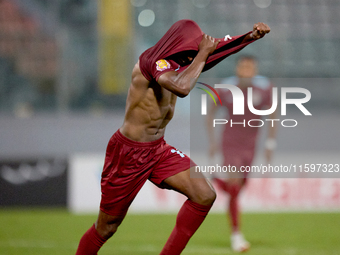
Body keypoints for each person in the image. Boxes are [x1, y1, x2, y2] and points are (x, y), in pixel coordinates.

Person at [75, 20, 270, 255]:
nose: (194, 56)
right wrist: (203, 55)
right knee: (106, 227)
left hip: (157, 150)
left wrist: (250, 36)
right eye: (191, 51)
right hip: (128, 154)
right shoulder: (152, 62)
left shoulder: (182, 61)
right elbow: (182, 87)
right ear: (180, 45)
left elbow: (218, 48)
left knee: (204, 195)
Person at [206, 55, 277, 252]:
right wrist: (212, 141)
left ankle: (215, 181)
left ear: (255, 70)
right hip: (230, 143)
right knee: (235, 186)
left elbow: (273, 115)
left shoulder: (264, 88)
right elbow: (210, 111)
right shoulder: (226, 88)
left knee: (238, 188)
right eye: (243, 67)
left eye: (250, 67)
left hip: (251, 145)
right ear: (237, 68)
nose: (246, 70)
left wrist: (270, 144)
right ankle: (236, 235)